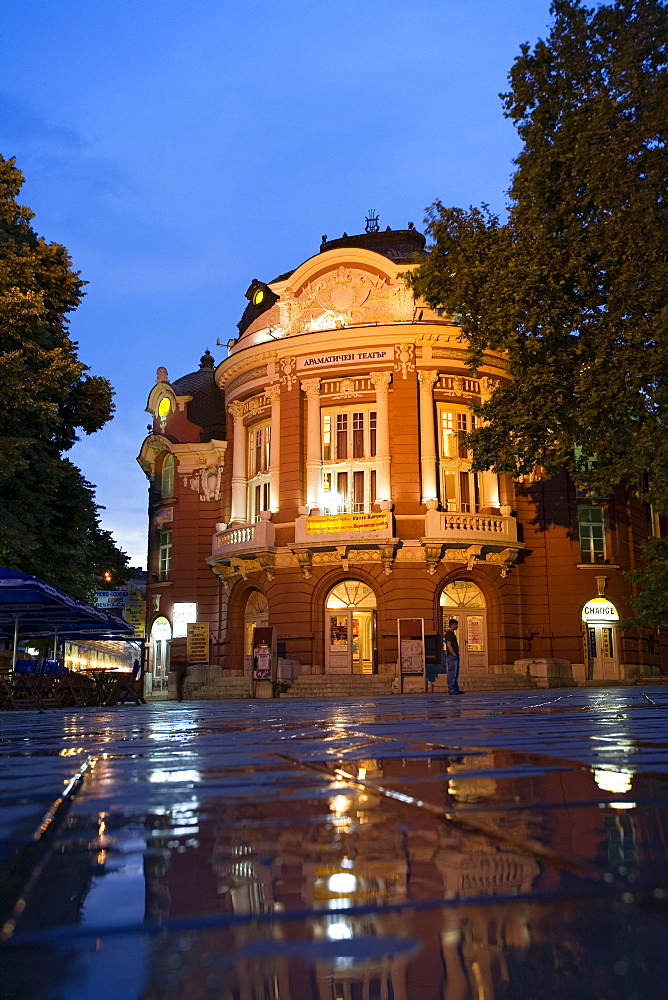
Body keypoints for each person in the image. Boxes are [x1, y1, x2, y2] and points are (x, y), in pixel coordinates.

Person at [444, 618, 463, 695]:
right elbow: (448, 644)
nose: (457, 626)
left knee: (455, 672)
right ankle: (452, 689)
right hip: (452, 656)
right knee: (452, 672)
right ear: (452, 625)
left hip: (454, 655)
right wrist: (454, 654)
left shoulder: (452, 633)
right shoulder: (449, 633)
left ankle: (455, 688)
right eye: (456, 625)